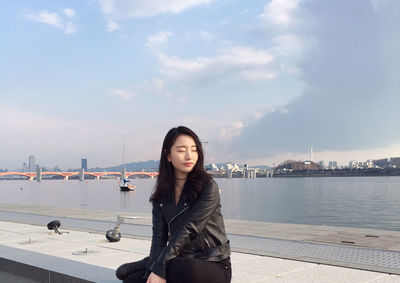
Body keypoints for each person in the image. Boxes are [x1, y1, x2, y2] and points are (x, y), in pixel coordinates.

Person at [117, 126, 231, 283]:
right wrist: (153, 269)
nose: (189, 155)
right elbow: (159, 238)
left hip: (212, 262)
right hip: (178, 257)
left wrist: (159, 268)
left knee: (183, 269)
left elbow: (189, 229)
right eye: (181, 150)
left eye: (194, 149)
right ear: (168, 155)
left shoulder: (208, 186)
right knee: (125, 274)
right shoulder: (161, 195)